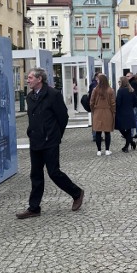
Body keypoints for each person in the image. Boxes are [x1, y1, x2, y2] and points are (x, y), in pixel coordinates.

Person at [16, 68, 84, 219]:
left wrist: (55, 135)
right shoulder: (30, 97)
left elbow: (63, 117)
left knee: (53, 172)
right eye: (28, 78)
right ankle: (34, 208)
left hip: (50, 141)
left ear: (40, 79)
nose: (28, 80)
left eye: (30, 77)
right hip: (35, 141)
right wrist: (30, 131)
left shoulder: (53, 95)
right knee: (36, 174)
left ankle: (77, 193)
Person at [90, 74, 115, 156]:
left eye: (98, 80)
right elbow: (113, 103)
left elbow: (91, 102)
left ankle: (99, 150)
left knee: (98, 131)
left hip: (97, 111)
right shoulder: (110, 90)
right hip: (107, 111)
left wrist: (94, 110)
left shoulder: (95, 90)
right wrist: (113, 111)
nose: (97, 81)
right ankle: (107, 150)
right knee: (107, 131)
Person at [115, 76, 137, 153]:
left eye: (119, 81)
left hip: (121, 112)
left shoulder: (120, 91)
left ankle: (126, 146)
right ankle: (131, 143)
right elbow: (136, 102)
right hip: (129, 112)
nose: (118, 83)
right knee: (128, 130)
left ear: (122, 82)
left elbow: (118, 103)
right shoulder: (131, 90)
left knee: (121, 129)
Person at [126, 72, 137, 139]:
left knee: (132, 119)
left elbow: (132, 95)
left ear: (131, 76)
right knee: (136, 119)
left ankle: (131, 134)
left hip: (133, 104)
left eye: (128, 76)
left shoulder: (132, 83)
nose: (126, 77)